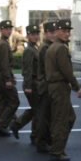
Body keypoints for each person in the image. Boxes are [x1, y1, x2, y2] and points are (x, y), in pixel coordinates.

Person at [45, 19, 81, 161]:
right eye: (64, 31)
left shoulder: (53, 46)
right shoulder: (60, 48)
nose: (67, 34)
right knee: (61, 120)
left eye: (68, 31)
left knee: (67, 118)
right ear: (57, 32)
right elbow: (67, 71)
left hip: (55, 86)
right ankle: (57, 150)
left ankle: (56, 145)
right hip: (59, 87)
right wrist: (77, 87)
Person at [10, 24, 40, 141]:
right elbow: (27, 69)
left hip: (34, 83)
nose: (36, 37)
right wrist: (28, 86)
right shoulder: (29, 50)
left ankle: (17, 125)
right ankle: (33, 135)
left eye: (37, 34)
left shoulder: (34, 48)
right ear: (28, 36)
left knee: (36, 110)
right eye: (33, 34)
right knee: (37, 110)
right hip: (31, 83)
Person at [0, 20, 19, 137]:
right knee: (14, 101)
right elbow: (4, 64)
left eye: (10, 29)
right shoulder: (3, 44)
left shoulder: (2, 42)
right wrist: (8, 79)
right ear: (1, 30)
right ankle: (2, 125)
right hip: (2, 77)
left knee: (3, 103)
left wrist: (11, 76)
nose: (9, 31)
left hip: (0, 76)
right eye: (6, 29)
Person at [34, 21, 56, 154]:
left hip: (46, 84)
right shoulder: (46, 48)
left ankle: (45, 140)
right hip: (45, 85)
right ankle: (42, 142)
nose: (53, 35)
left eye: (55, 32)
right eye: (51, 33)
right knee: (44, 116)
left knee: (47, 115)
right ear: (46, 33)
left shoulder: (48, 46)